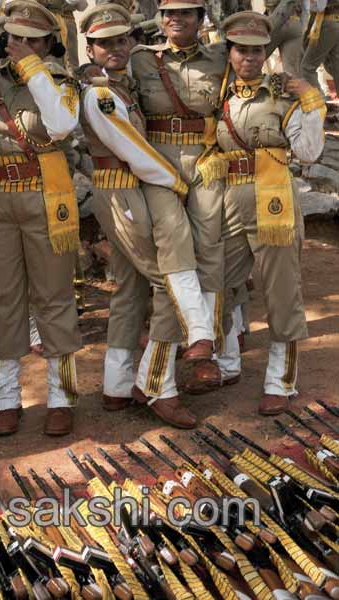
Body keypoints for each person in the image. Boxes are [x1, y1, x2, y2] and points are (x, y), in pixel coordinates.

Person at [78, 4, 211, 429]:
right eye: (105, 43)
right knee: (166, 282)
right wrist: (173, 180)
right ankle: (157, 385)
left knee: (130, 288)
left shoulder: (121, 84)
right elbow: (132, 148)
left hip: (123, 190)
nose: (115, 49)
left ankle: (116, 385)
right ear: (90, 47)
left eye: (122, 40)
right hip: (122, 191)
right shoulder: (100, 93)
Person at [0, 0, 82, 437]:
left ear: (49, 43)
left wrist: (36, 70)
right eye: (16, 38)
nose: (21, 46)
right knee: (3, 300)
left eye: (33, 40)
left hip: (45, 197)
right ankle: (8, 398)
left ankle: (61, 397)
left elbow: (58, 127)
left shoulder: (59, 83)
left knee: (54, 298)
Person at [217, 11, 324, 415]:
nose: (250, 58)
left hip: (273, 198)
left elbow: (310, 151)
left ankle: (281, 379)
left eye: (257, 50)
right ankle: (226, 363)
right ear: (228, 53)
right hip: (228, 198)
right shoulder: (220, 95)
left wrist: (309, 96)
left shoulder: (282, 95)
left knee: (280, 291)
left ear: (267, 52)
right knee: (220, 283)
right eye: (241, 50)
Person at [129, 0, 226, 397]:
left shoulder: (222, 57)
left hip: (205, 160)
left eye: (186, 13)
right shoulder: (141, 60)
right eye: (170, 12)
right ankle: (187, 339)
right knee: (170, 243)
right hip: (157, 163)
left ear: (201, 19)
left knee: (209, 247)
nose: (175, 19)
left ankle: (207, 350)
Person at [301, 0, 339, 98]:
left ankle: (320, 102)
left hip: (327, 23)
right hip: (335, 22)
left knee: (306, 68)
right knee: (335, 67)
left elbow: (319, 7)